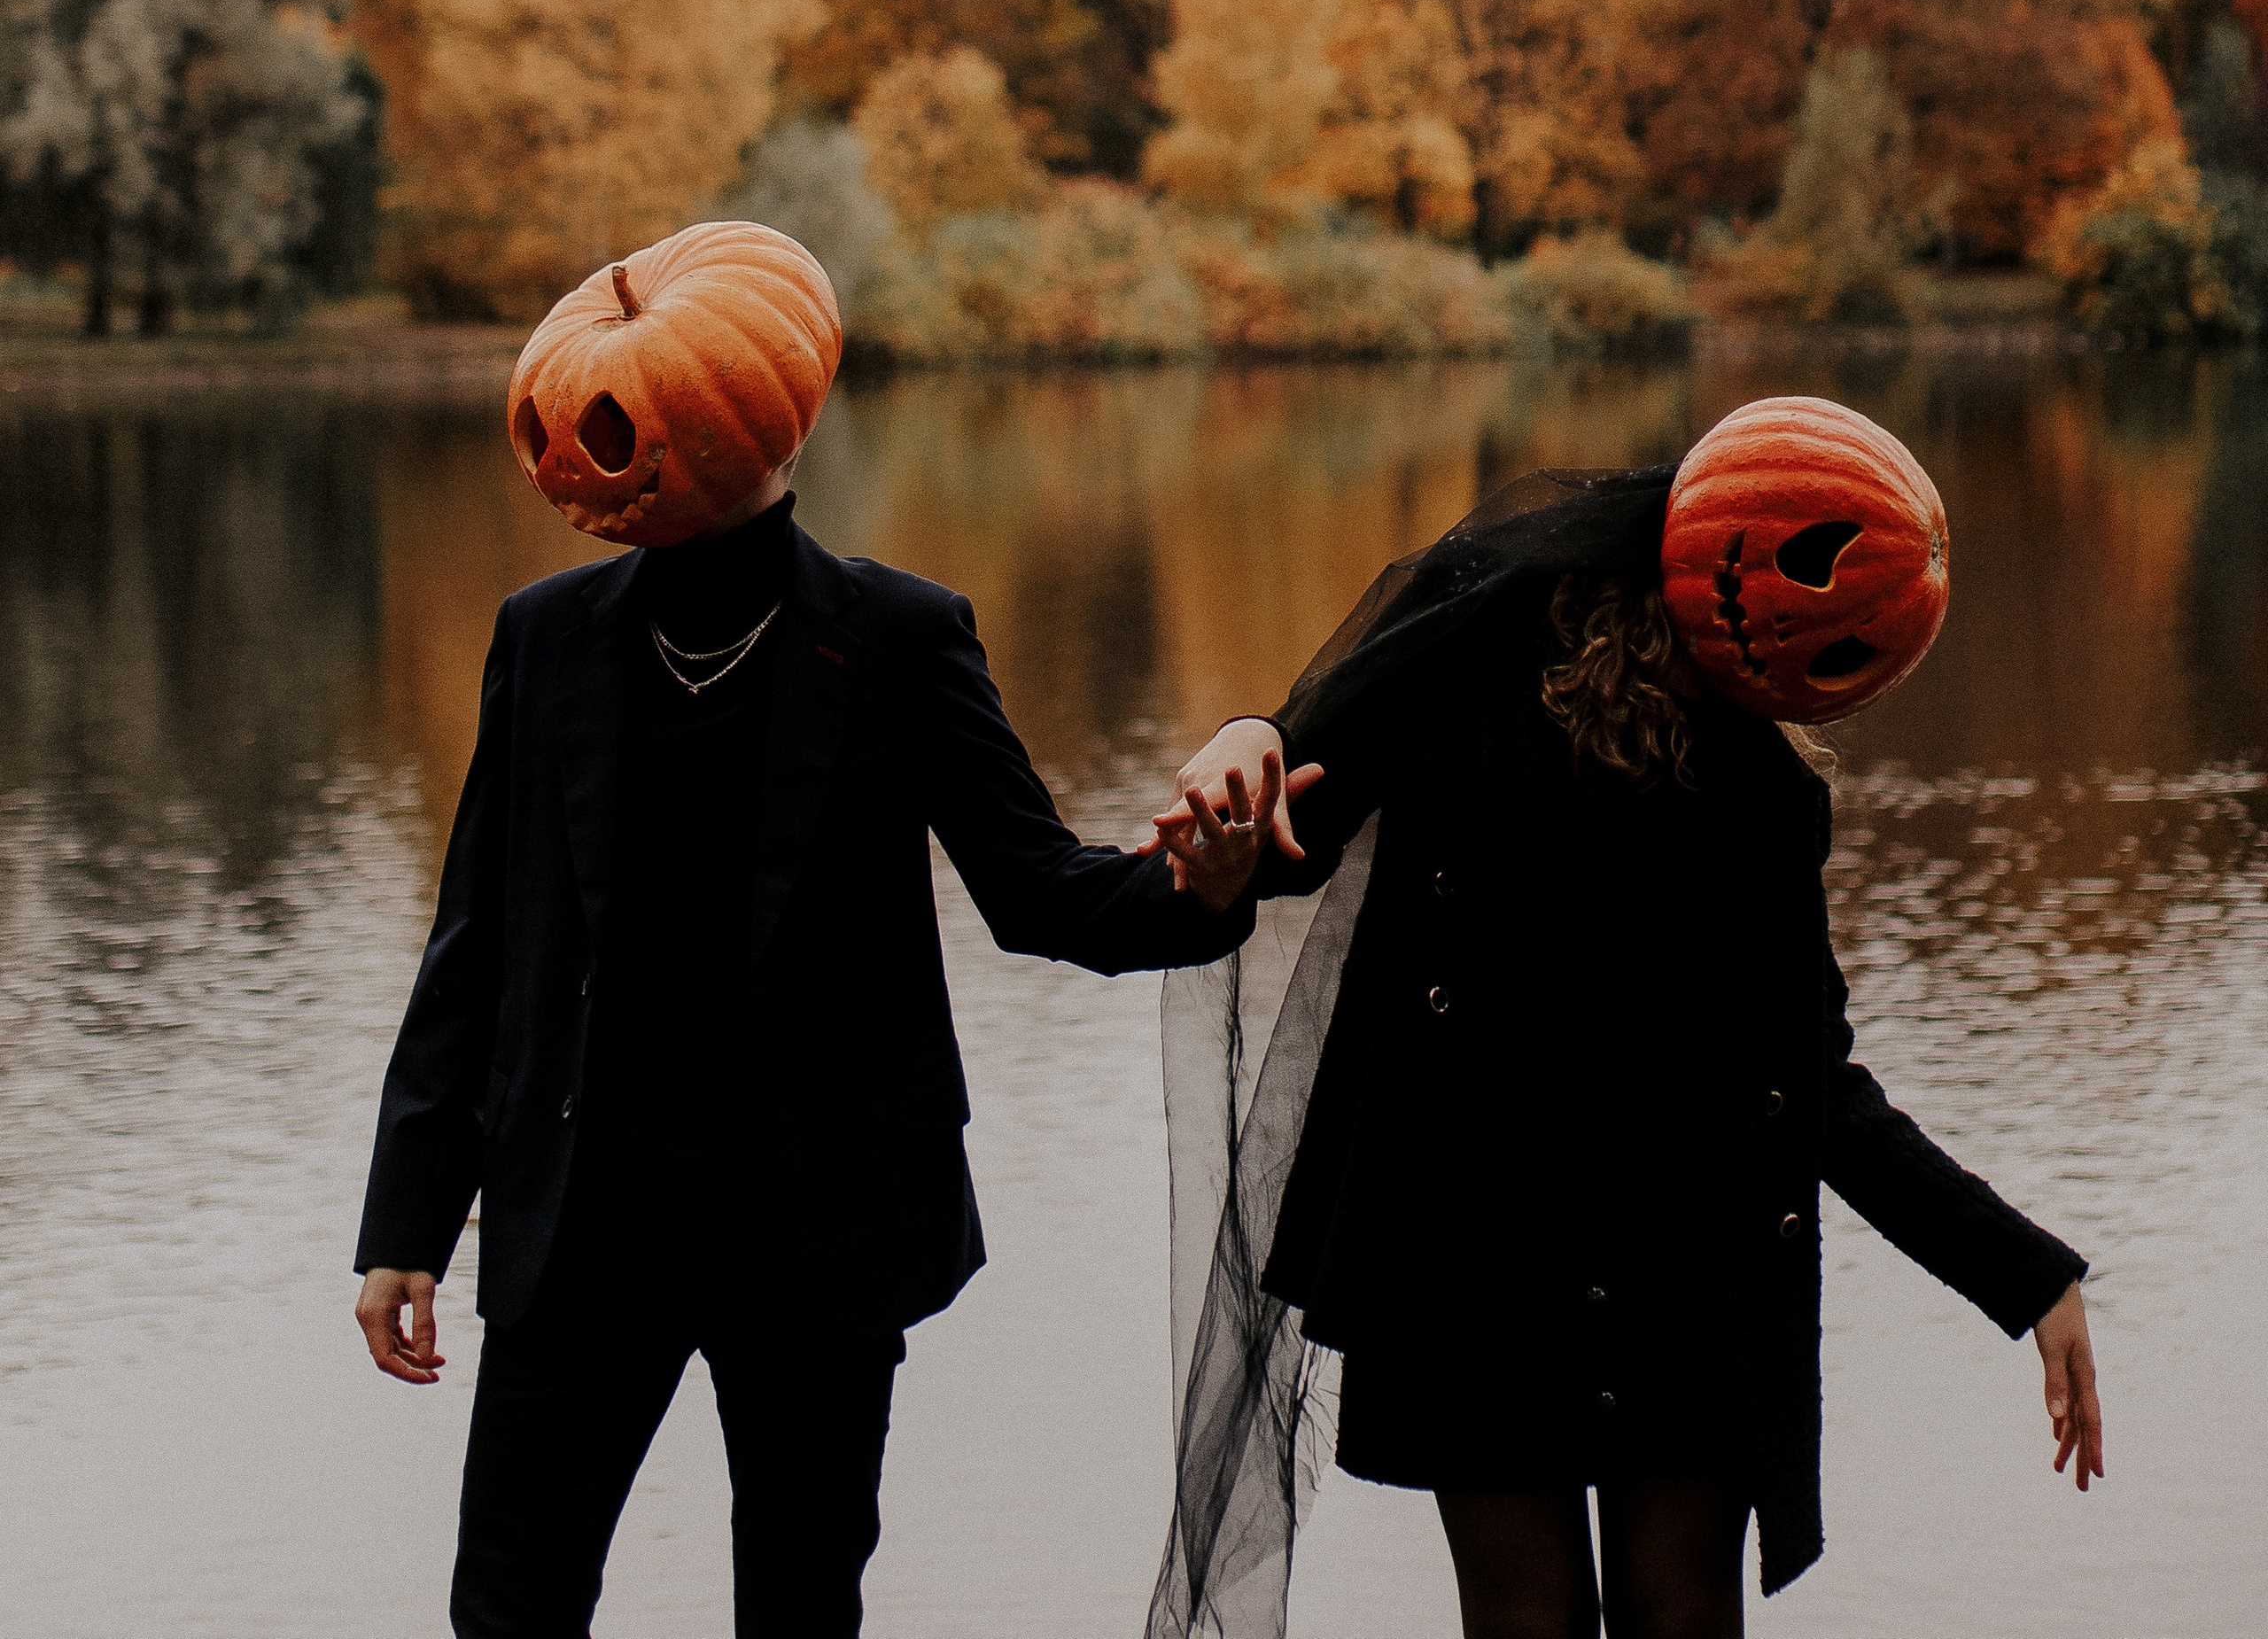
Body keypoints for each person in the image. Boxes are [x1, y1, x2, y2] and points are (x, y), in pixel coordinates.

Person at [353, 221, 1274, 1639]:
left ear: (773, 406)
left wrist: (1204, 890)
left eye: (636, 415)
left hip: (817, 1229)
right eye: (601, 418)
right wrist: (406, 1220)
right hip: (583, 1221)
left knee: (801, 1603)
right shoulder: (545, 639)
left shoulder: (900, 638)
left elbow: (1038, 892)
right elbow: (472, 941)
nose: (617, 437)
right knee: (510, 1605)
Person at [1141, 405, 2104, 1639]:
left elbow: (1815, 1089)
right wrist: (1243, 758)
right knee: (1529, 1619)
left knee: (1678, 1612)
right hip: (1476, 1249)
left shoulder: (1762, 792)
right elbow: (1288, 818)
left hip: (1683, 1269)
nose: (1815, 636)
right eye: (1807, 591)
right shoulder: (1477, 648)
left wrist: (2026, 1275)